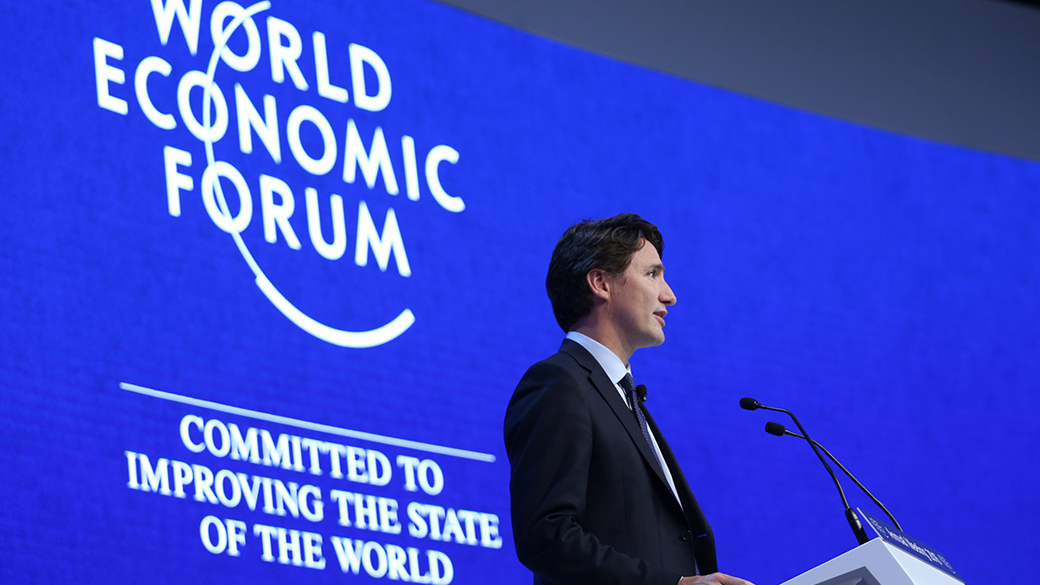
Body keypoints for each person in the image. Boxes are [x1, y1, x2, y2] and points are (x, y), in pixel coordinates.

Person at [504, 214, 753, 585]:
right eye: (652, 274)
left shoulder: (623, 397)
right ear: (601, 283)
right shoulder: (559, 383)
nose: (669, 294)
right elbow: (545, 535)